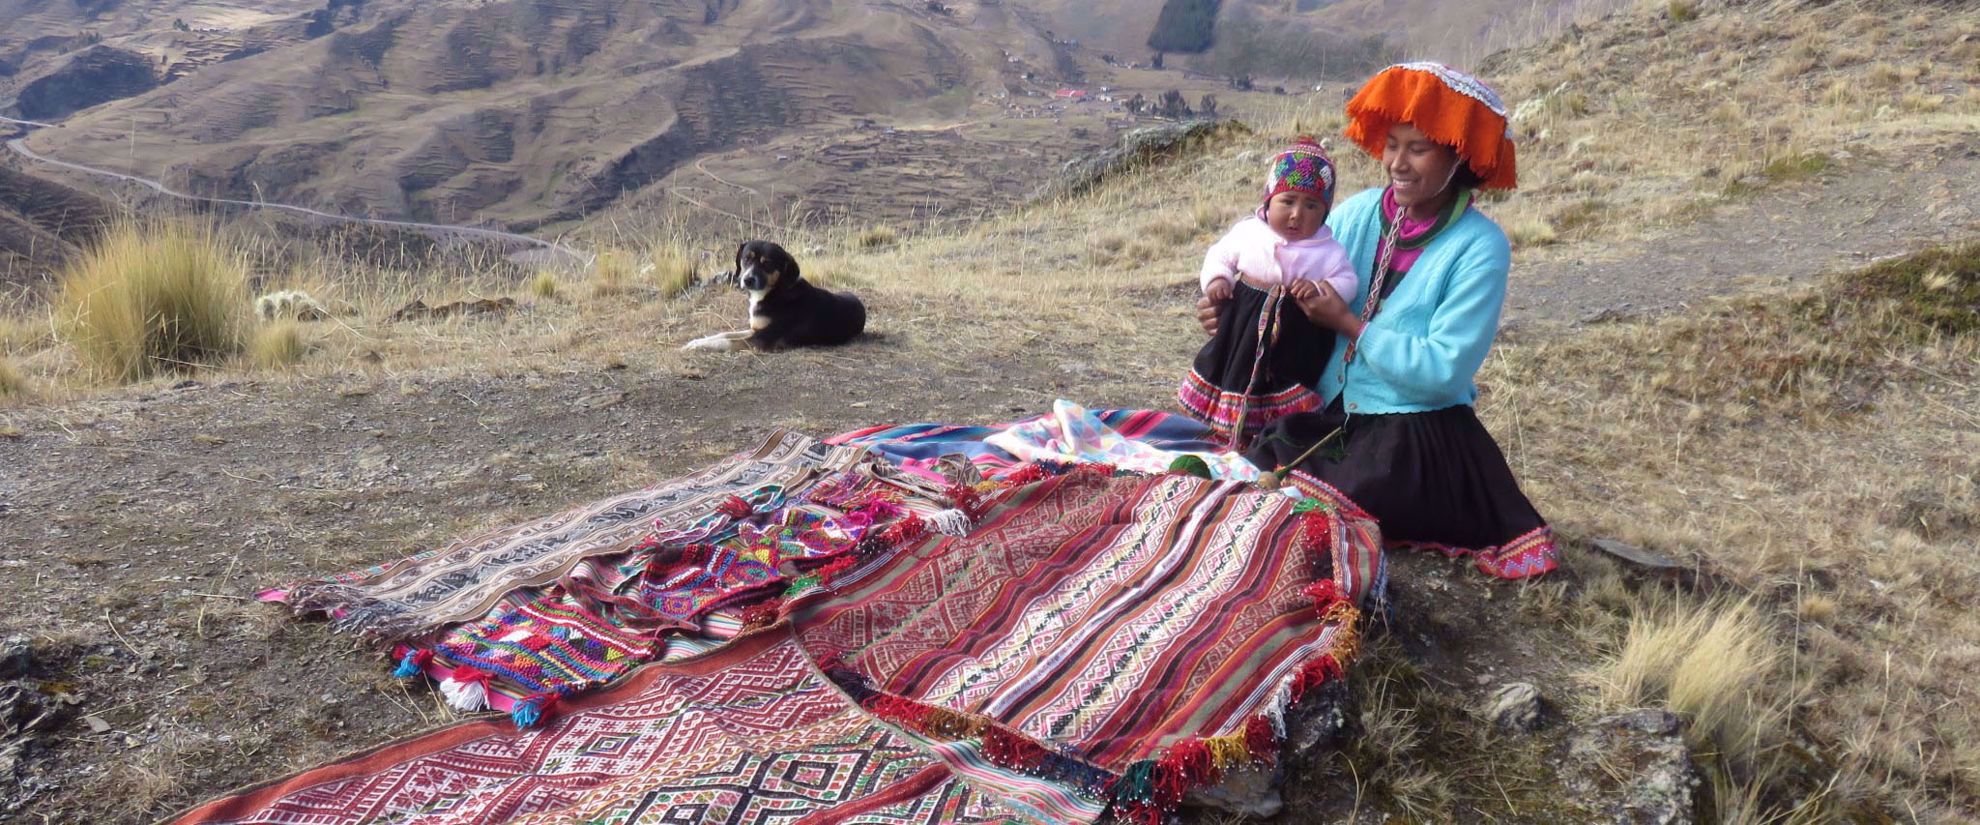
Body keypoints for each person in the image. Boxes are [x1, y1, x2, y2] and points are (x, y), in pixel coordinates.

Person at [1207, 62, 1559, 579]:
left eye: (1418, 149)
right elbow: (1290, 285)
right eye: (1392, 145)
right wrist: (1239, 313)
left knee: (1339, 496)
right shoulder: (1357, 213)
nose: (1397, 162)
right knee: (1261, 470)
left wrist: (1352, 326)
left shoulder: (1480, 247)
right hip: (1329, 410)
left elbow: (1444, 371)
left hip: (1413, 427)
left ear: (1458, 154)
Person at [1179, 136, 1358, 447]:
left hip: (1294, 337)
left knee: (1281, 381)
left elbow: (1348, 281)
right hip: (1243, 324)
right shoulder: (1249, 232)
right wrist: (1218, 281)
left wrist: (1319, 288)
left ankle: (1272, 437)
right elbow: (1220, 256)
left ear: (1325, 212)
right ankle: (1221, 429)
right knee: (1233, 371)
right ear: (1268, 201)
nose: (1297, 214)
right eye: (1287, 201)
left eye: (1311, 205)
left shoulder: (1328, 250)